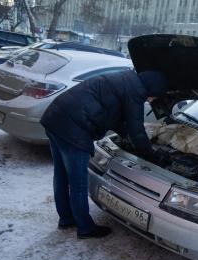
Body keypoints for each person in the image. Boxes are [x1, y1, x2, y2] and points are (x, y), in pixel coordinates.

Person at [40, 70, 167, 239]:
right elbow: (136, 131)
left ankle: (66, 218)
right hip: (73, 129)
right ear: (152, 89)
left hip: (55, 117)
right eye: (153, 97)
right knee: (78, 183)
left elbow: (114, 116)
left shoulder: (126, 79)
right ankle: (85, 228)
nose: (151, 101)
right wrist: (151, 156)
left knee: (61, 175)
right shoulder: (136, 92)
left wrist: (127, 138)